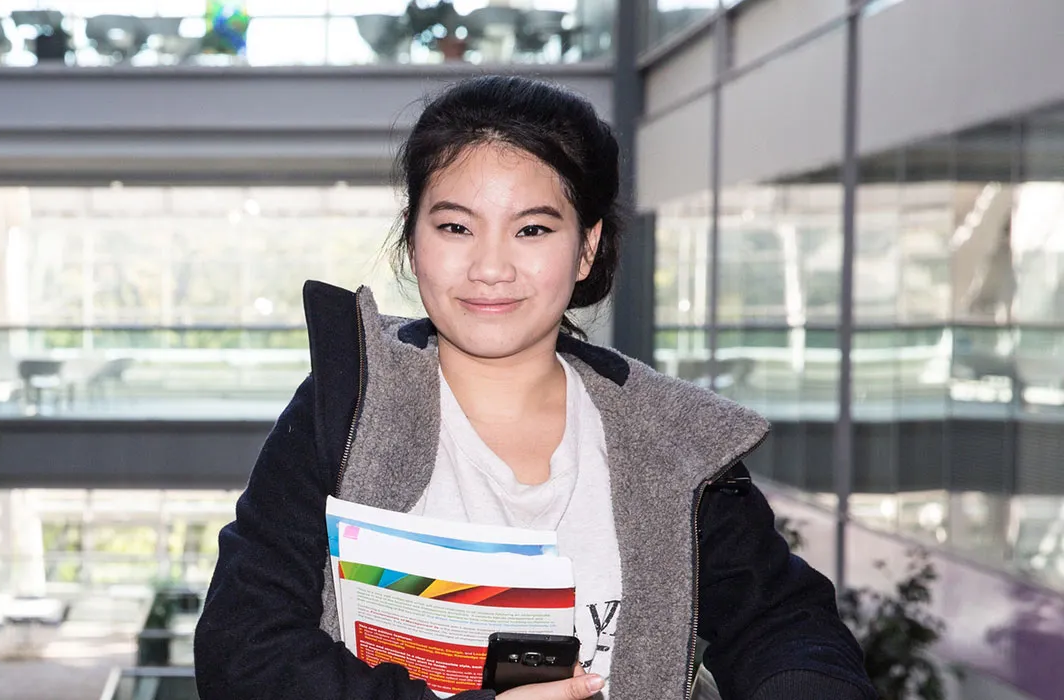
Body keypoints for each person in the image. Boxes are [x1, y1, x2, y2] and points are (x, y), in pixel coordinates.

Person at [192, 76, 876, 700]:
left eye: (533, 229)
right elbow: (244, 649)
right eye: (456, 226)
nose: (490, 267)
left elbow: (785, 622)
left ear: (586, 248)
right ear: (411, 240)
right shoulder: (348, 408)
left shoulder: (670, 438)